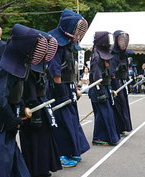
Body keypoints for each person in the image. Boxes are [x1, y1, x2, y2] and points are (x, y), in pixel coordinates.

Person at [0, 23, 47, 177]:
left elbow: (16, 94)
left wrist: (21, 108)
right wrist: (11, 119)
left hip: (7, 119)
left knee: (12, 163)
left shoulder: (20, 64)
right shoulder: (7, 67)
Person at [48, 9, 90, 167]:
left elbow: (70, 69)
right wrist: (60, 91)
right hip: (56, 87)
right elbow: (54, 70)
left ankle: (73, 150)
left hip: (68, 85)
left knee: (71, 119)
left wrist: (74, 88)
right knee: (61, 120)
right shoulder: (55, 42)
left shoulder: (70, 44)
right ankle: (61, 154)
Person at [19, 30, 62, 177]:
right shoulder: (25, 66)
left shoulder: (41, 66)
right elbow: (26, 89)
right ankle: (35, 170)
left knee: (43, 139)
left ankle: (42, 168)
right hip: (31, 107)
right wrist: (31, 107)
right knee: (34, 140)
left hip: (42, 104)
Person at [89, 31, 120, 145]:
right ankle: (99, 138)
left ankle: (102, 137)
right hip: (98, 89)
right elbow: (96, 75)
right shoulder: (97, 56)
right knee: (103, 114)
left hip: (105, 87)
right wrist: (100, 90)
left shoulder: (103, 54)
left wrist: (109, 88)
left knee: (104, 114)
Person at [110, 30, 132, 136]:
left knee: (124, 105)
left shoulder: (124, 54)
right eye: (121, 40)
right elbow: (112, 72)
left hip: (123, 83)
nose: (123, 42)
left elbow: (126, 70)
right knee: (118, 106)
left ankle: (124, 126)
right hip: (116, 84)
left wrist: (128, 82)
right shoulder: (113, 54)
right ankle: (119, 128)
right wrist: (114, 86)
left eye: (125, 40)